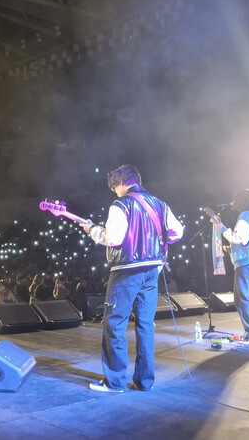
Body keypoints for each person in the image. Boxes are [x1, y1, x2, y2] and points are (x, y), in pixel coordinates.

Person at [82, 164, 183, 393]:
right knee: (145, 325)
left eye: (114, 187)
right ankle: (145, 382)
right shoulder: (159, 204)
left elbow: (114, 238)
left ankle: (115, 382)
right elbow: (178, 232)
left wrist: (93, 231)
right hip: (152, 270)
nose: (114, 191)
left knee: (114, 324)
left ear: (122, 182)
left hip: (126, 271)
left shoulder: (121, 204)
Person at [210, 189, 249, 344]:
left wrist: (221, 228)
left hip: (247, 263)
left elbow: (239, 238)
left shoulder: (245, 216)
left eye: (236, 200)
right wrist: (231, 249)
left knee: (242, 297)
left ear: (241, 201)